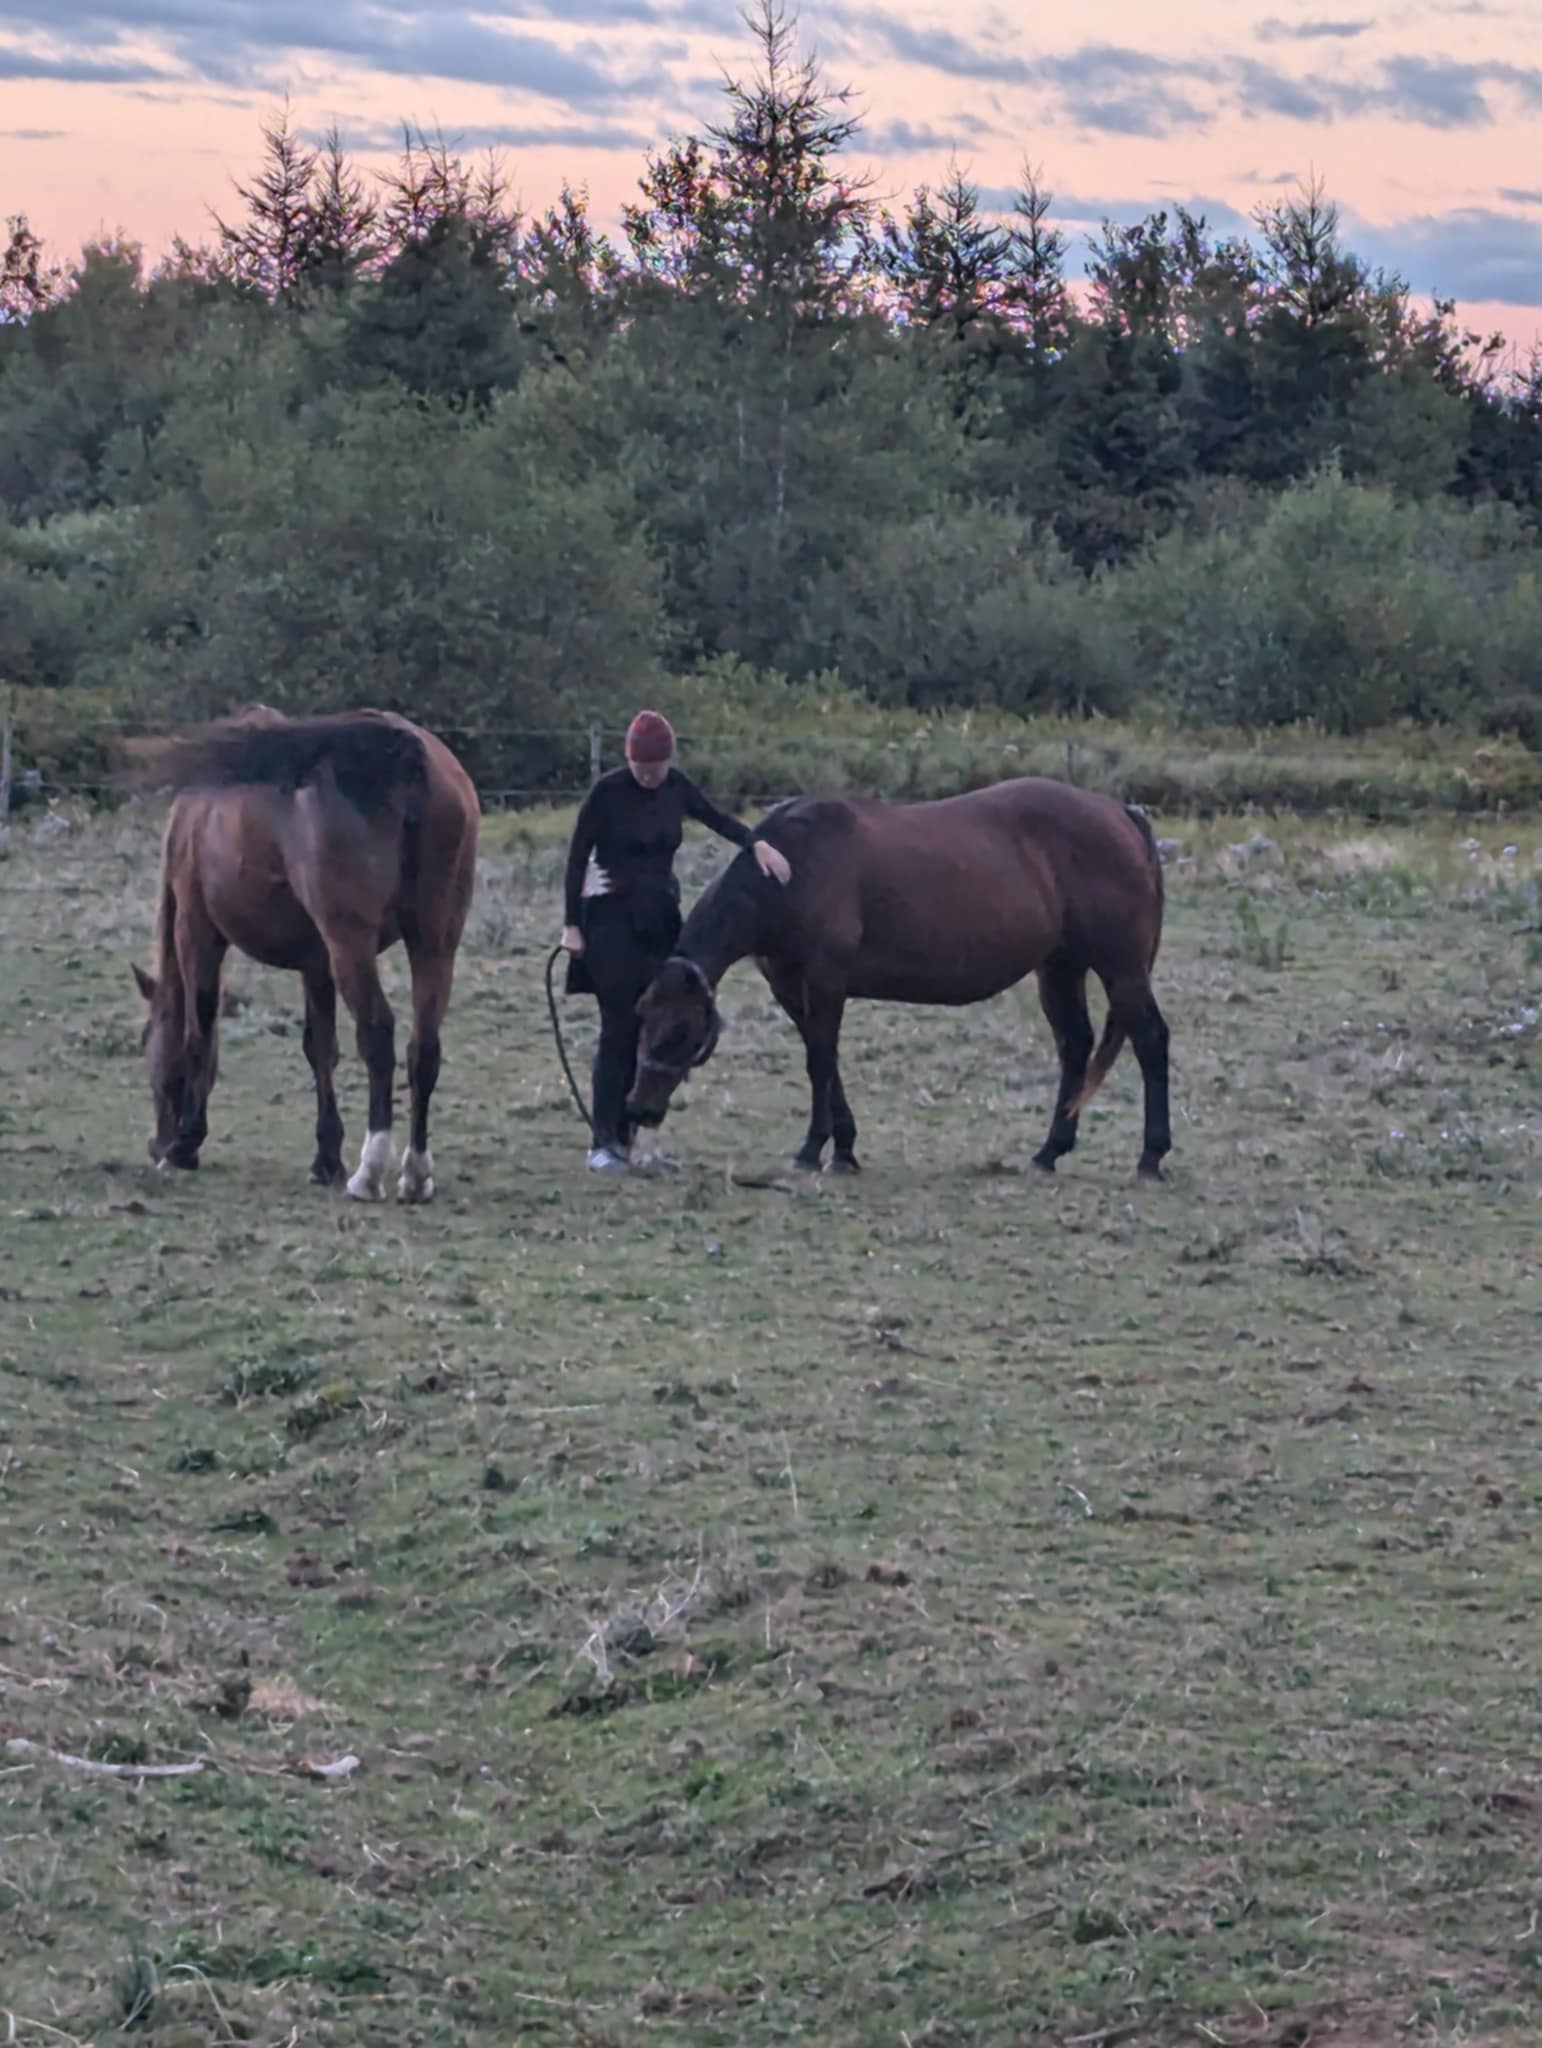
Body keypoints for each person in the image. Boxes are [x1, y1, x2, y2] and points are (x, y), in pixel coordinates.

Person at [561, 709, 791, 1172]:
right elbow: (576, 856)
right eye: (640, 767)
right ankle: (604, 1140)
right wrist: (572, 924)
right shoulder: (607, 792)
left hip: (660, 922)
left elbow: (716, 818)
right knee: (619, 1027)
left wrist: (757, 844)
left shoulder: (676, 787)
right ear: (628, 760)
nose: (648, 775)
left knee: (655, 1028)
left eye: (656, 767)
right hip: (610, 923)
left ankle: (632, 1136)